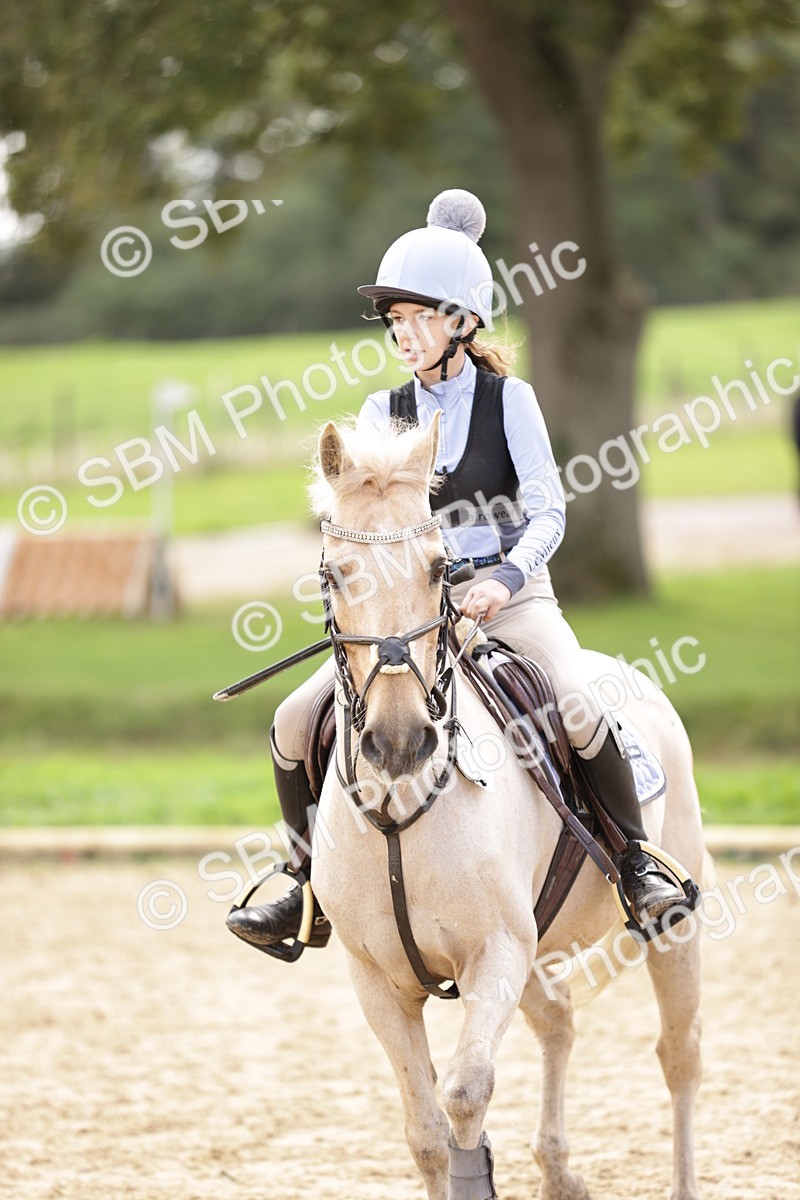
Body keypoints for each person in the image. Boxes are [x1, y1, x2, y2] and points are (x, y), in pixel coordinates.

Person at [227, 189, 686, 951]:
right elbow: (363, 521)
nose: (403, 335)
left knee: (575, 702)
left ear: (463, 322)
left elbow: (550, 514)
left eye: (418, 319)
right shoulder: (381, 413)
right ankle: (304, 885)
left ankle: (639, 865)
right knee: (292, 719)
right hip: (414, 610)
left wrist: (503, 579)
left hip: (512, 599)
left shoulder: (513, 402)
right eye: (395, 322)